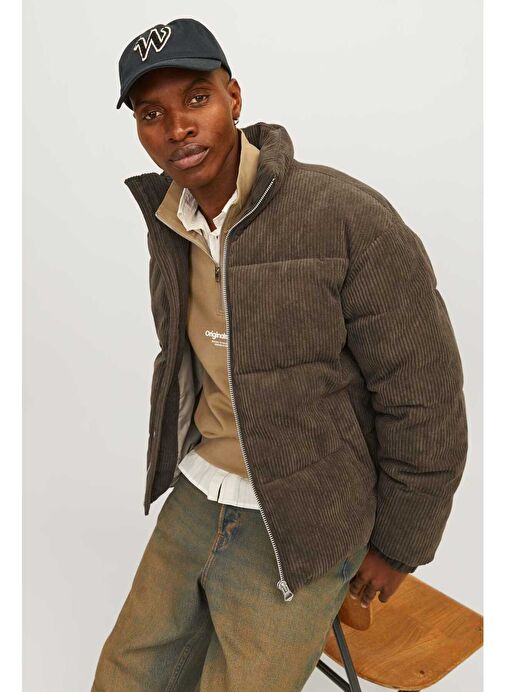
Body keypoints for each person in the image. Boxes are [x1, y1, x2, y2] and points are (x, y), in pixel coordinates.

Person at [91, 17, 468, 692]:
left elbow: (425, 394)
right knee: (123, 677)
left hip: (312, 517)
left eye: (196, 98)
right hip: (200, 489)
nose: (177, 127)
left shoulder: (346, 217)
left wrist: (399, 544)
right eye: (152, 114)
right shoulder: (170, 221)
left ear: (234, 97)